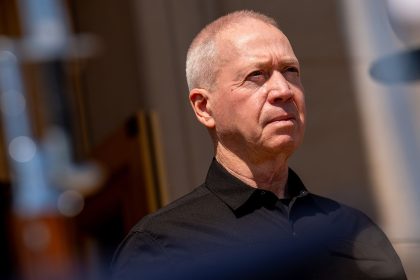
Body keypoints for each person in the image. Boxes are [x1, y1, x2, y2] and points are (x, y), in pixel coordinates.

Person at [111, 10, 406, 280]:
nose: (283, 90)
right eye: (256, 75)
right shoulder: (161, 245)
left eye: (290, 71)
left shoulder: (355, 230)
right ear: (204, 107)